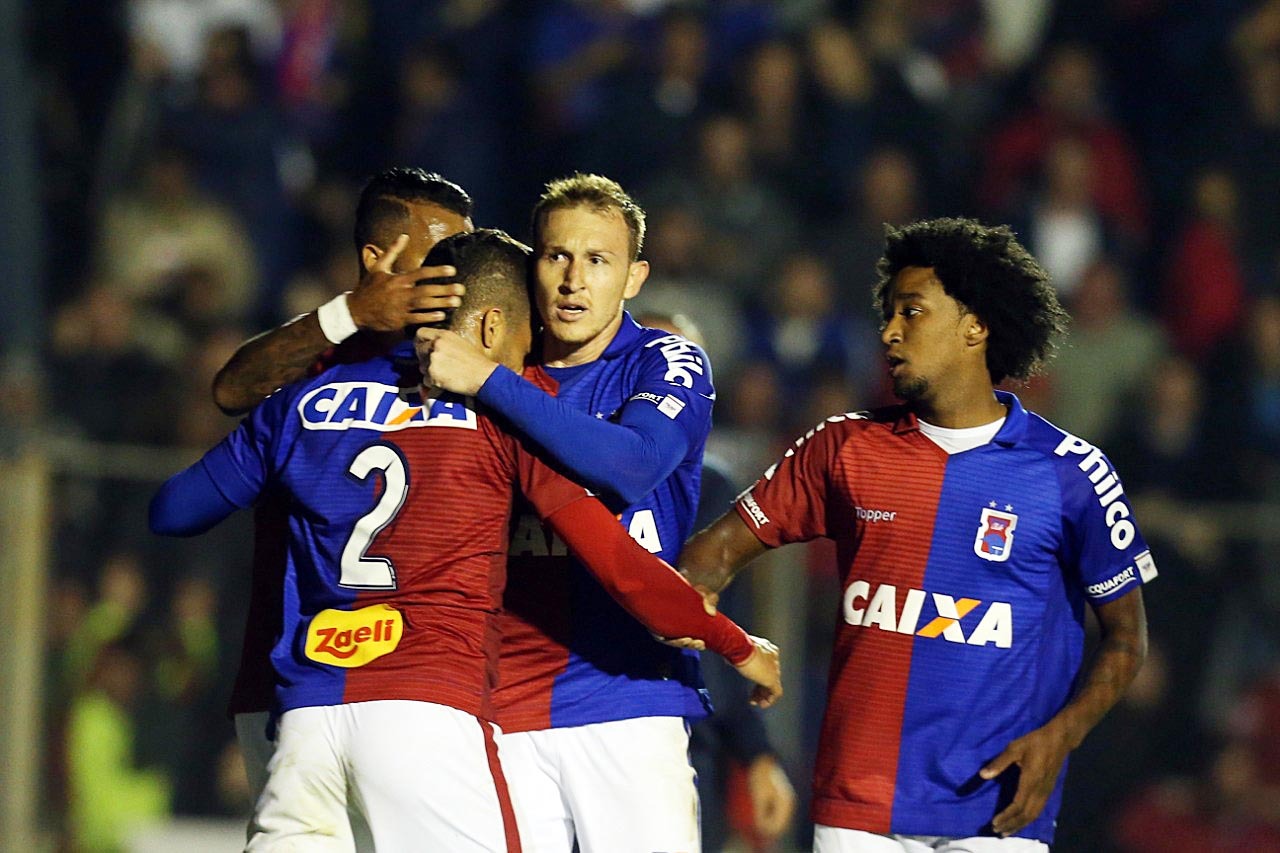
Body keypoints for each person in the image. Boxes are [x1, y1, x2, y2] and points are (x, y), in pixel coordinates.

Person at [152, 228, 781, 851]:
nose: (532, 356)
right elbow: (621, 564)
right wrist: (734, 643)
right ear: (490, 326)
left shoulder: (302, 400)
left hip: (304, 723)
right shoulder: (501, 416)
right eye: (527, 336)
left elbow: (174, 510)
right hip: (427, 714)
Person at [676, 217, 1154, 852]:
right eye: (889, 314)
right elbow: (704, 566)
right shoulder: (841, 448)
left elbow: (1127, 639)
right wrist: (736, 647)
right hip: (858, 807)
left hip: (997, 809)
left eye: (912, 311)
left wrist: (1060, 737)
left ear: (975, 326)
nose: (889, 331)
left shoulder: (1072, 474)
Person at [418, 174, 722, 852]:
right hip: (504, 712)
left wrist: (489, 381)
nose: (573, 280)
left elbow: (634, 463)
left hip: (631, 703)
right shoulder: (501, 363)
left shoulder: (665, 360)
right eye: (557, 255)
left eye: (598, 259)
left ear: (634, 277)